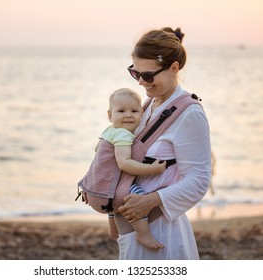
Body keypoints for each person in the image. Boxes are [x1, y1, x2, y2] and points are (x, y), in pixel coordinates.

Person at [116, 27, 211, 259]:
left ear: (174, 68)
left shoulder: (190, 113)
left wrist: (150, 202)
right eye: (135, 73)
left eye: (148, 76)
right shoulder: (149, 105)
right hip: (136, 227)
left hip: (162, 230)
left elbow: (199, 180)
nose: (140, 82)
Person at [100, 88, 166, 250]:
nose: (128, 115)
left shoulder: (109, 132)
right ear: (110, 115)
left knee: (113, 202)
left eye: (134, 111)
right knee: (137, 194)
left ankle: (114, 230)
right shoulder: (123, 135)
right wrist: (152, 169)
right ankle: (143, 233)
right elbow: (124, 163)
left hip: (105, 183)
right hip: (115, 182)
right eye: (121, 111)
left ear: (142, 114)